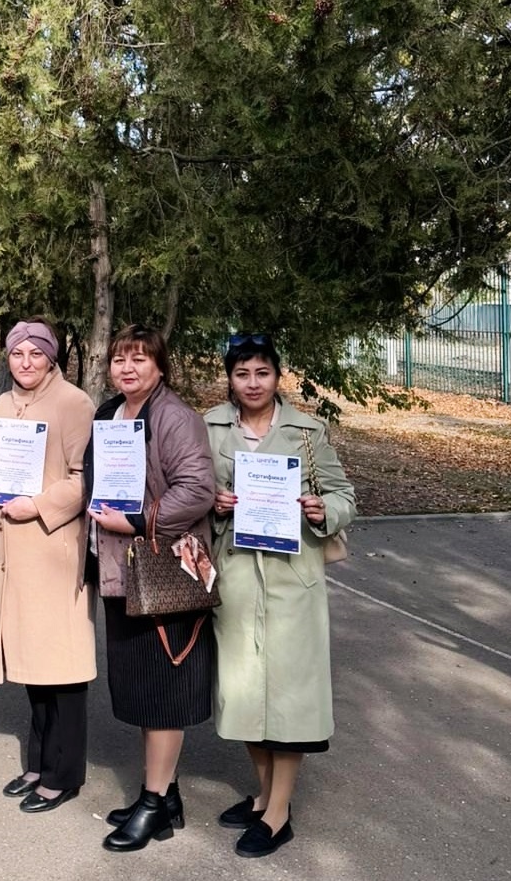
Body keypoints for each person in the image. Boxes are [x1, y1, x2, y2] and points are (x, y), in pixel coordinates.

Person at [203, 333, 357, 858]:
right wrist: (216, 505)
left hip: (294, 581)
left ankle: (278, 813)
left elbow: (344, 495)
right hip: (239, 578)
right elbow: (193, 492)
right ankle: (264, 793)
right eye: (242, 373)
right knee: (245, 693)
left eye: (262, 373)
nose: (252, 383)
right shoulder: (210, 427)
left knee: (290, 700)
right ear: (230, 378)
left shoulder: (308, 431)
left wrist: (323, 511)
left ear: (277, 376)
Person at [84, 324, 216, 852]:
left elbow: (198, 490)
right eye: (120, 359)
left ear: (160, 366)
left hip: (163, 574)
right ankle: (167, 795)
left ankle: (153, 804)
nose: (128, 368)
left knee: (163, 694)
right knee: (141, 689)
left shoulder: (175, 418)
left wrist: (139, 521)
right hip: (123, 573)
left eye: (140, 359)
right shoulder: (110, 414)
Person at [0, 318, 96, 813]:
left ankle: (63, 773)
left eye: (35, 353)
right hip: (11, 550)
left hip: (51, 548)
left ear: (52, 357)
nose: (25, 363)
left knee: (61, 668)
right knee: (32, 665)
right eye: (16, 354)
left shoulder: (74, 403)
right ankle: (39, 760)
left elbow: (84, 476)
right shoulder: (4, 403)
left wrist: (40, 505)